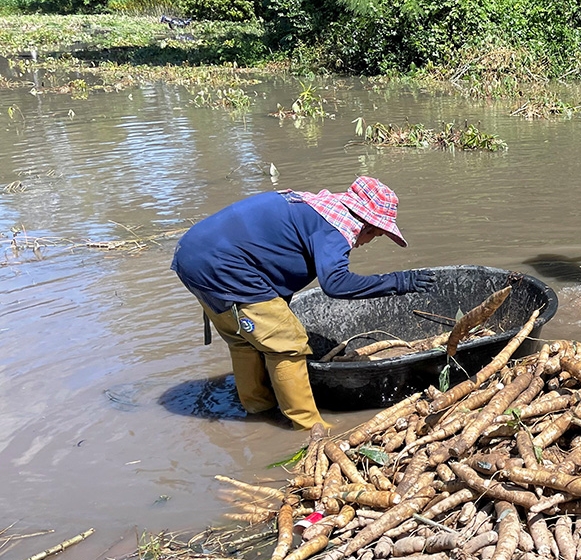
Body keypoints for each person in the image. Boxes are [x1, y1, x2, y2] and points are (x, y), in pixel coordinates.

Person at [171, 176, 435, 430]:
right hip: (223, 268)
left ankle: (258, 410)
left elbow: (269, 256)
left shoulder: (313, 208)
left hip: (193, 256)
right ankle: (309, 427)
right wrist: (400, 281)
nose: (367, 243)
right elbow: (336, 284)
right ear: (367, 224)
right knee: (289, 344)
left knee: (245, 341)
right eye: (375, 235)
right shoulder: (336, 228)